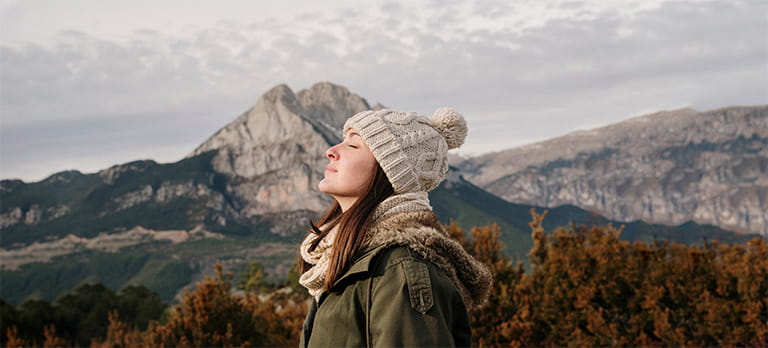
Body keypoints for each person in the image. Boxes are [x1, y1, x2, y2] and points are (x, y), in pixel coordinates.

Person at [298, 107, 492, 347]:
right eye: (342, 141)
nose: (331, 151)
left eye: (353, 145)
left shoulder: (400, 269)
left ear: (391, 171)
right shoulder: (353, 260)